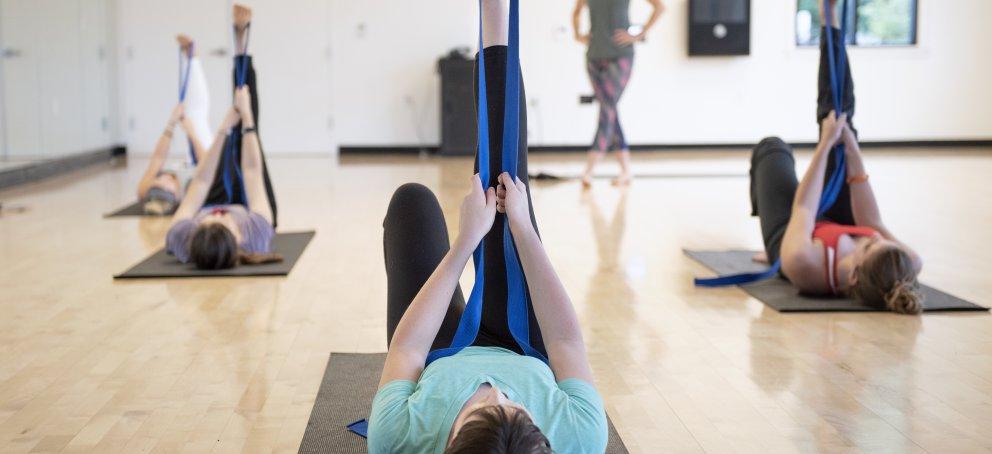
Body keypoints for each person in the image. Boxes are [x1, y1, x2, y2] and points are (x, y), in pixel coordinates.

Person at [368, 1, 608, 452]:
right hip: (524, 345)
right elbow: (565, 342)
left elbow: (406, 353)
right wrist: (521, 227)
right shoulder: (578, 436)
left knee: (412, 203)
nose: (495, 389)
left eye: (482, 408)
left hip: (434, 351)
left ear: (450, 439)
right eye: (516, 406)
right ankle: (496, 23)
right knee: (506, 185)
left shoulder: (398, 439)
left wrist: (464, 243)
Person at [748, 1, 923, 314]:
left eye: (868, 244)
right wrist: (849, 145)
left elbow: (804, 206)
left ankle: (769, 245)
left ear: (853, 274)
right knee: (839, 117)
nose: (869, 237)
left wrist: (826, 144)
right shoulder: (903, 262)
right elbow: (872, 222)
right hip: (830, 223)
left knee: (772, 149)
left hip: (793, 231)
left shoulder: (805, 264)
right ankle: (830, 19)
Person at [166, 5, 279, 270]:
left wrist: (224, 126)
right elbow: (251, 171)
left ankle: (238, 45)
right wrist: (246, 116)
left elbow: (202, 180)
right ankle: (242, 46)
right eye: (223, 220)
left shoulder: (181, 236)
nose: (218, 214)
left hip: (215, 192)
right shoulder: (255, 232)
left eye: (209, 218)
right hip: (252, 204)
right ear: (238, 236)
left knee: (224, 145)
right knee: (249, 133)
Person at [572, 0, 664, 187]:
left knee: (607, 109)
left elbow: (660, 7)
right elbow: (576, 12)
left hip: (620, 56)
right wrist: (577, 34)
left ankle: (590, 169)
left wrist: (640, 33)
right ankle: (626, 170)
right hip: (594, 57)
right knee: (609, 110)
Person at [135, 35, 212, 215]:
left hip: (191, 163)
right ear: (175, 194)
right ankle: (193, 59)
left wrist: (171, 123)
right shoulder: (189, 191)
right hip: (207, 162)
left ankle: (191, 59)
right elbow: (208, 163)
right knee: (196, 117)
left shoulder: (145, 189)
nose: (163, 178)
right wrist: (191, 132)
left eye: (158, 181)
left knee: (192, 114)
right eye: (166, 184)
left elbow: (158, 157)